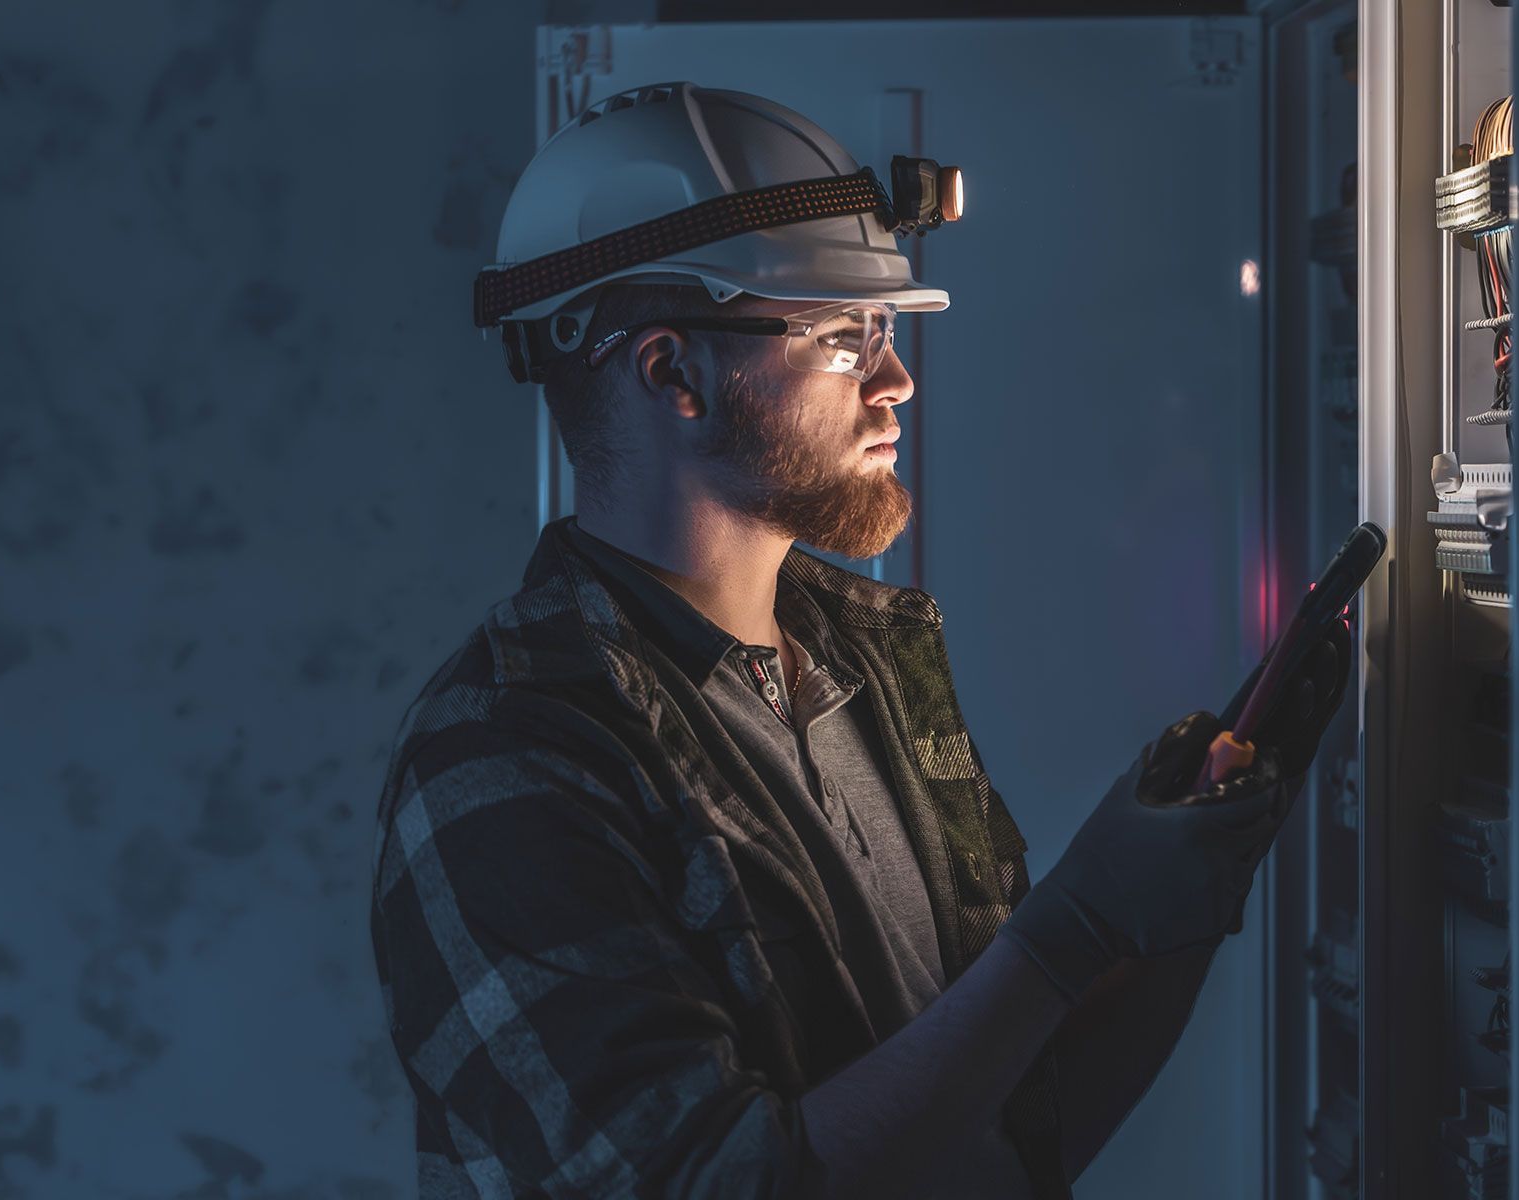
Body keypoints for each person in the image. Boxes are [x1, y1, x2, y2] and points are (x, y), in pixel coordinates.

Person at [369, 82, 1348, 1199]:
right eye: (844, 336)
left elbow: (1017, 1135)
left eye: (885, 330)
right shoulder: (503, 761)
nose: (896, 380)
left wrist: (1182, 892)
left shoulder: (866, 659)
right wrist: (1075, 924)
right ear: (671, 371)